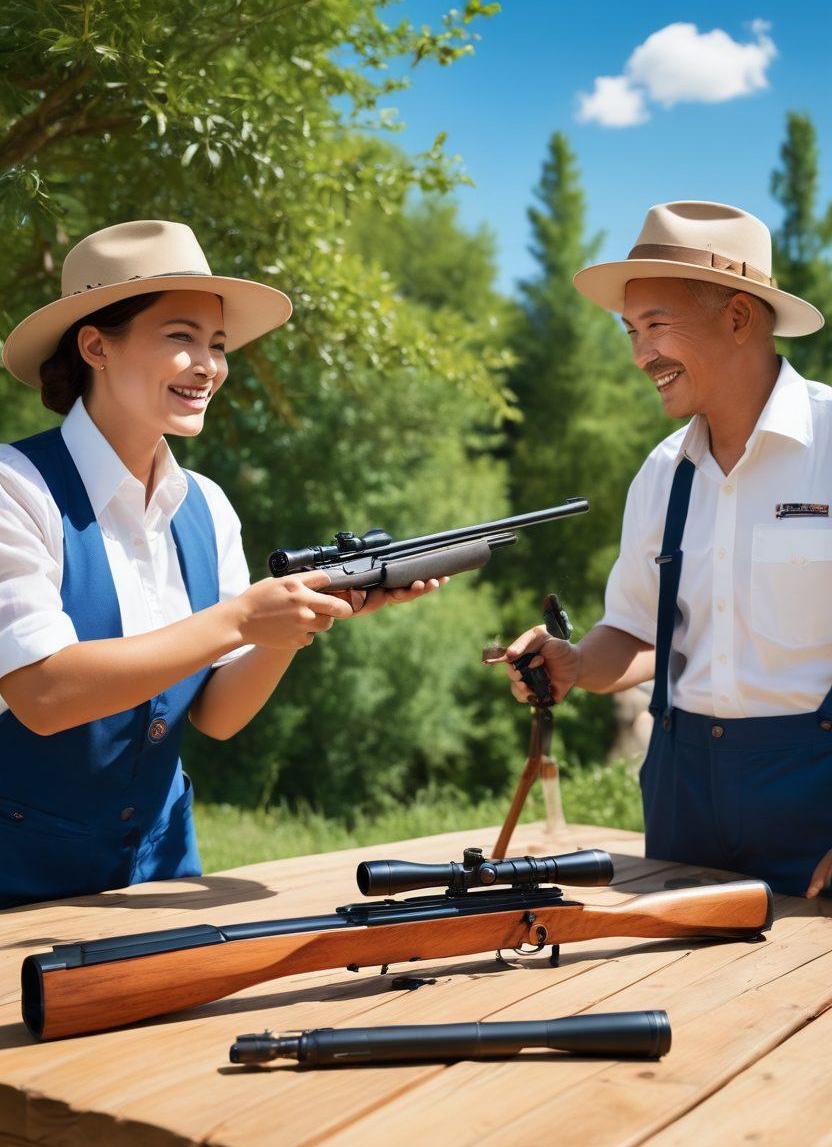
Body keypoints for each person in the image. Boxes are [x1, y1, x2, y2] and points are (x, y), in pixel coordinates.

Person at [0, 219, 442, 909]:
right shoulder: (14, 487)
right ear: (95, 346)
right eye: (180, 338)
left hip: (169, 868)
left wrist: (298, 620)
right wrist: (242, 616)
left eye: (217, 344)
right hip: (20, 877)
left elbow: (218, 714)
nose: (208, 365)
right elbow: (44, 695)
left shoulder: (207, 505)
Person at [495, 200, 832, 898]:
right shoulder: (661, 473)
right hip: (684, 801)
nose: (640, 355)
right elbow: (637, 632)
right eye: (630, 331)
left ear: (738, 318)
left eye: (656, 327)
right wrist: (576, 664)